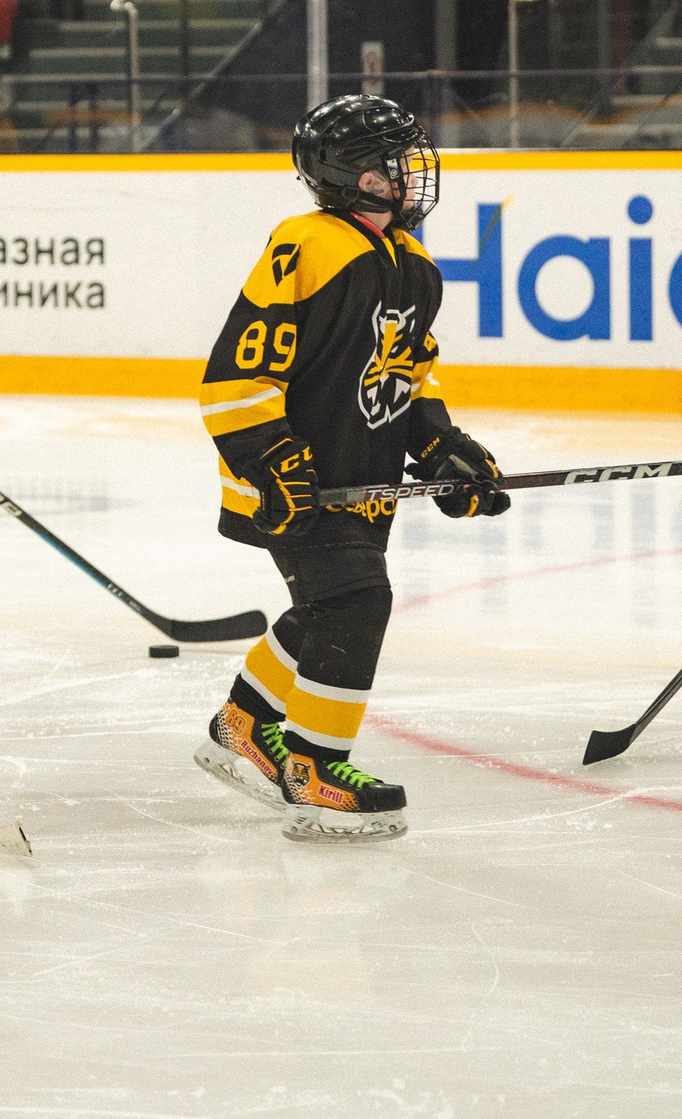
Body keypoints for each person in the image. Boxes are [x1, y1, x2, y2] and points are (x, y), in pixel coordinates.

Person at [190, 94, 507, 842]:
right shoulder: (308, 246)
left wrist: (440, 448)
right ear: (355, 176)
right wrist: (274, 462)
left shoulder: (414, 262)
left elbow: (408, 374)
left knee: (324, 608)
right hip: (292, 483)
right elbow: (235, 378)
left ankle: (242, 725)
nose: (411, 173)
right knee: (357, 603)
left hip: (356, 475)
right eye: (395, 162)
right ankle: (315, 769)